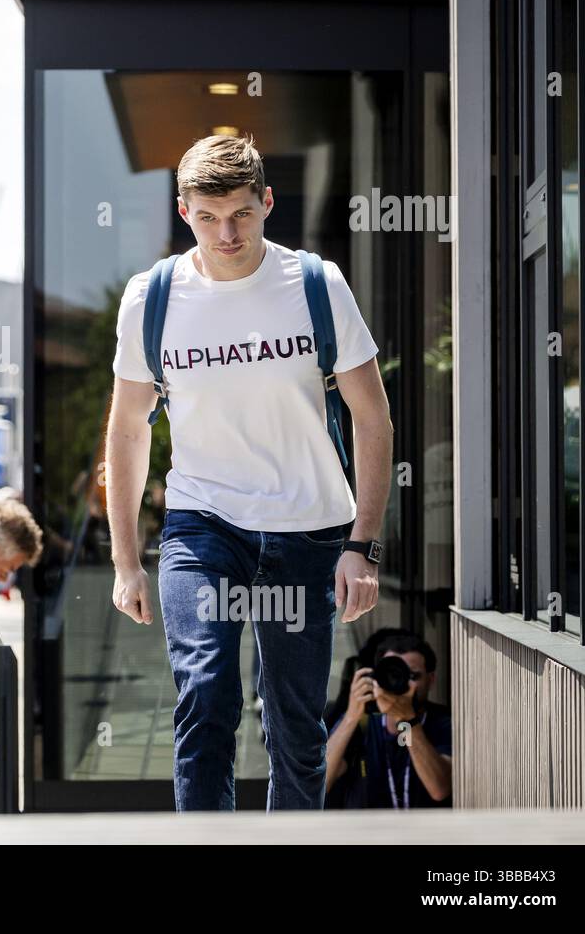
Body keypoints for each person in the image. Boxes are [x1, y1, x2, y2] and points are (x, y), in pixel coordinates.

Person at [106, 133, 393, 811]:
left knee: (293, 730)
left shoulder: (317, 285)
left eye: (240, 213)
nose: (225, 232)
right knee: (205, 697)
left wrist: (362, 544)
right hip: (202, 526)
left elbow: (373, 418)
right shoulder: (153, 298)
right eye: (207, 217)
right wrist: (126, 560)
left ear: (267, 201)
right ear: (184, 211)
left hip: (307, 531)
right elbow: (125, 429)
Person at [324, 632, 452, 808]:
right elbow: (319, 783)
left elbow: (440, 789)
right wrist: (351, 716)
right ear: (376, 678)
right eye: (392, 675)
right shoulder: (362, 723)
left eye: (412, 676)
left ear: (431, 680)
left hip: (427, 834)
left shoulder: (443, 722)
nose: (400, 683)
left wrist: (408, 720)